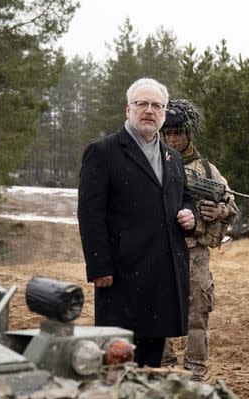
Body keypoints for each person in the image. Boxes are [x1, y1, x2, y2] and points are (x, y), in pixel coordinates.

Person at [78, 77, 195, 367]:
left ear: (164, 113)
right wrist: (99, 266)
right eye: (142, 103)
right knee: (119, 360)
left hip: (162, 276)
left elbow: (185, 198)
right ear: (127, 109)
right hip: (121, 276)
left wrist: (189, 214)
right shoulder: (103, 152)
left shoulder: (173, 157)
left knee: (151, 362)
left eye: (157, 105)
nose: (149, 110)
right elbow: (90, 215)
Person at [159, 99, 237, 381]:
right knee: (158, 309)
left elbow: (231, 207)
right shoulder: (153, 163)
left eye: (178, 132)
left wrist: (219, 210)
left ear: (189, 133)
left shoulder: (207, 171)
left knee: (197, 313)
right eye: (167, 132)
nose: (172, 138)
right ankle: (163, 366)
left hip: (195, 251)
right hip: (160, 251)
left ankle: (195, 370)